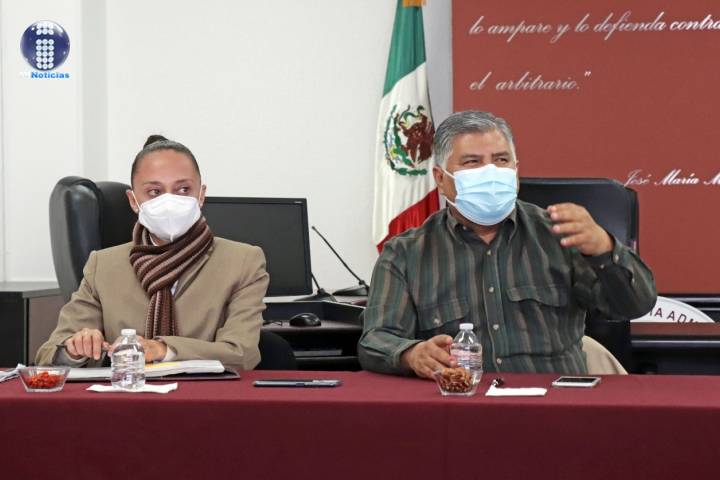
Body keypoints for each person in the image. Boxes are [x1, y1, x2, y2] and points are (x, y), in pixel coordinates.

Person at [358, 111, 656, 378]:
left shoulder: (561, 234)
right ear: (440, 178)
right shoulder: (407, 253)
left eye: (501, 160)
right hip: (462, 406)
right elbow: (375, 340)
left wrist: (604, 249)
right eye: (472, 162)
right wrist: (411, 354)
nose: (491, 172)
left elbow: (635, 305)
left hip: (556, 405)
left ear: (515, 169)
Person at [36, 135, 269, 369]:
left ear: (201, 195)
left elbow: (242, 354)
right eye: (155, 191)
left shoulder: (243, 262)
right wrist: (75, 349)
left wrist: (164, 350)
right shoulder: (103, 265)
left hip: (206, 391)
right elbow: (48, 354)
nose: (169, 201)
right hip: (127, 389)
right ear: (133, 201)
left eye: (183, 189)